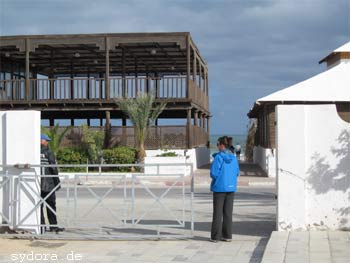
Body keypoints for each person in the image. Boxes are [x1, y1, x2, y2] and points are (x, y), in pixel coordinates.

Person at [210, 136, 240, 242]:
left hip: (219, 188)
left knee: (217, 213)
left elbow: (213, 173)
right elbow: (237, 172)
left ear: (222, 145)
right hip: (231, 188)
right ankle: (227, 236)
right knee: (228, 213)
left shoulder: (218, 157)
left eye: (218, 144)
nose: (217, 146)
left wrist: (217, 179)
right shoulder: (234, 158)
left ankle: (215, 237)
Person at [40, 134, 64, 233]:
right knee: (51, 205)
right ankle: (53, 226)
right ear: (41, 141)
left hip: (37, 183)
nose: (47, 143)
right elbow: (53, 167)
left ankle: (41, 227)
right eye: (46, 140)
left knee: (39, 207)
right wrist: (57, 181)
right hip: (48, 183)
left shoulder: (33, 152)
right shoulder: (49, 152)